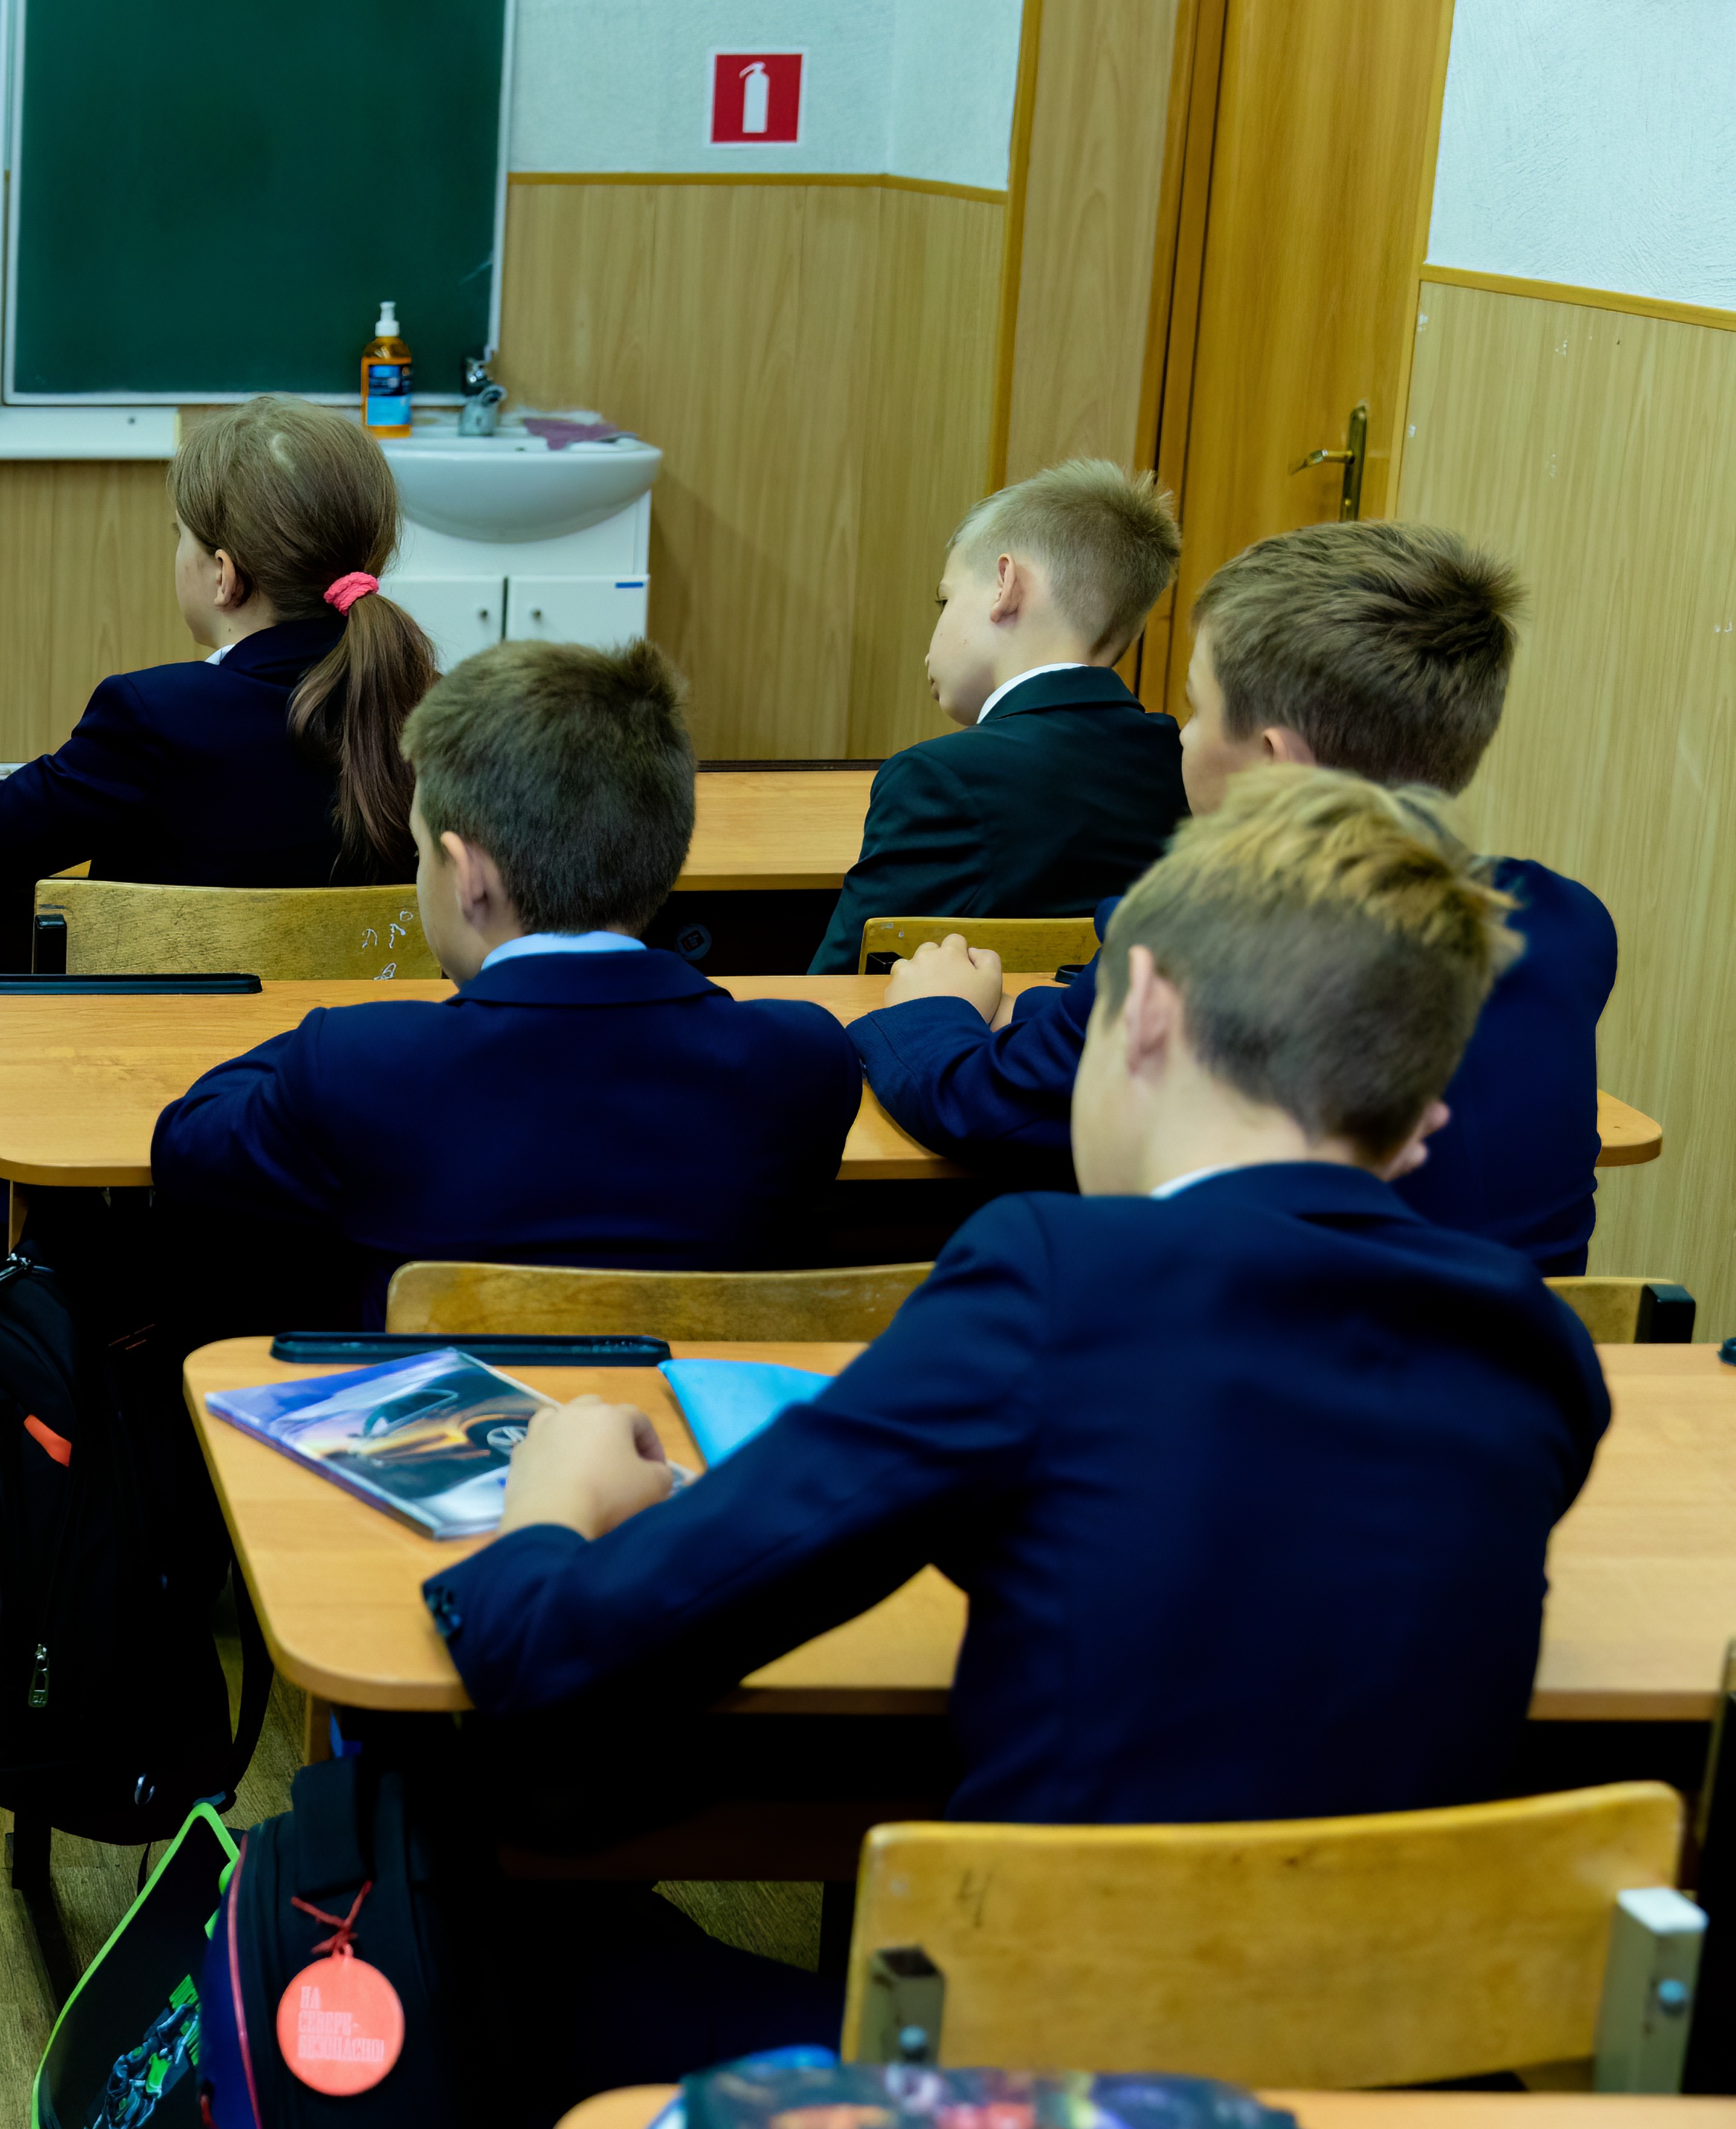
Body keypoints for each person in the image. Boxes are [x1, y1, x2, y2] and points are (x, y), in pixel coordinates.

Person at [434, 766, 1608, 1826]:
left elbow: (567, 1651)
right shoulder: (1536, 1344)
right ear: (1415, 1123)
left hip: (1051, 2063)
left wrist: (545, 1507)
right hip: (1422, 2051)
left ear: (1142, 1005)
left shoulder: (1055, 1275)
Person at [855, 521, 1616, 1269]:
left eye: (1197, 707)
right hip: (1529, 1371)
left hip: (1309, 1373)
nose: (1183, 737)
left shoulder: (1201, 944)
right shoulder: (1567, 923)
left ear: (1273, 767)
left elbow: (976, 1104)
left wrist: (935, 1010)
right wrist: (1053, 1010)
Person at [152, 640, 861, 1323]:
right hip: (690, 1439)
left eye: (421, 848)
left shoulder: (358, 1061)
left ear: (468, 876)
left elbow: (186, 1149)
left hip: (436, 1432)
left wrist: (323, 1033)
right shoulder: (805, 1061)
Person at [0, 397, 439, 893]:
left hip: (168, 1012)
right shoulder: (432, 709)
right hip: (365, 1007)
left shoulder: (158, 718)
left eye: (182, 536)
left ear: (224, 575)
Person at [806, 459, 1189, 971]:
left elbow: (836, 988)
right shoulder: (1182, 765)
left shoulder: (939, 780)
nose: (932, 641)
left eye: (944, 599)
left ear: (1005, 585)